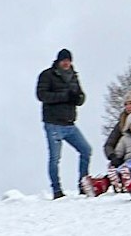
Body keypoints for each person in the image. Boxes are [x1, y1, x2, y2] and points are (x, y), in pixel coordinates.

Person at [36, 49, 91, 198]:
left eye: (69, 60)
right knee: (55, 158)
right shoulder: (47, 75)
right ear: (58, 61)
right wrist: (65, 96)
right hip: (53, 123)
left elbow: (81, 97)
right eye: (64, 60)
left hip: (70, 124)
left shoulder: (74, 76)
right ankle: (57, 190)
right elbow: (41, 95)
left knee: (86, 150)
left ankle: (83, 184)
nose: (66, 63)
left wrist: (77, 98)